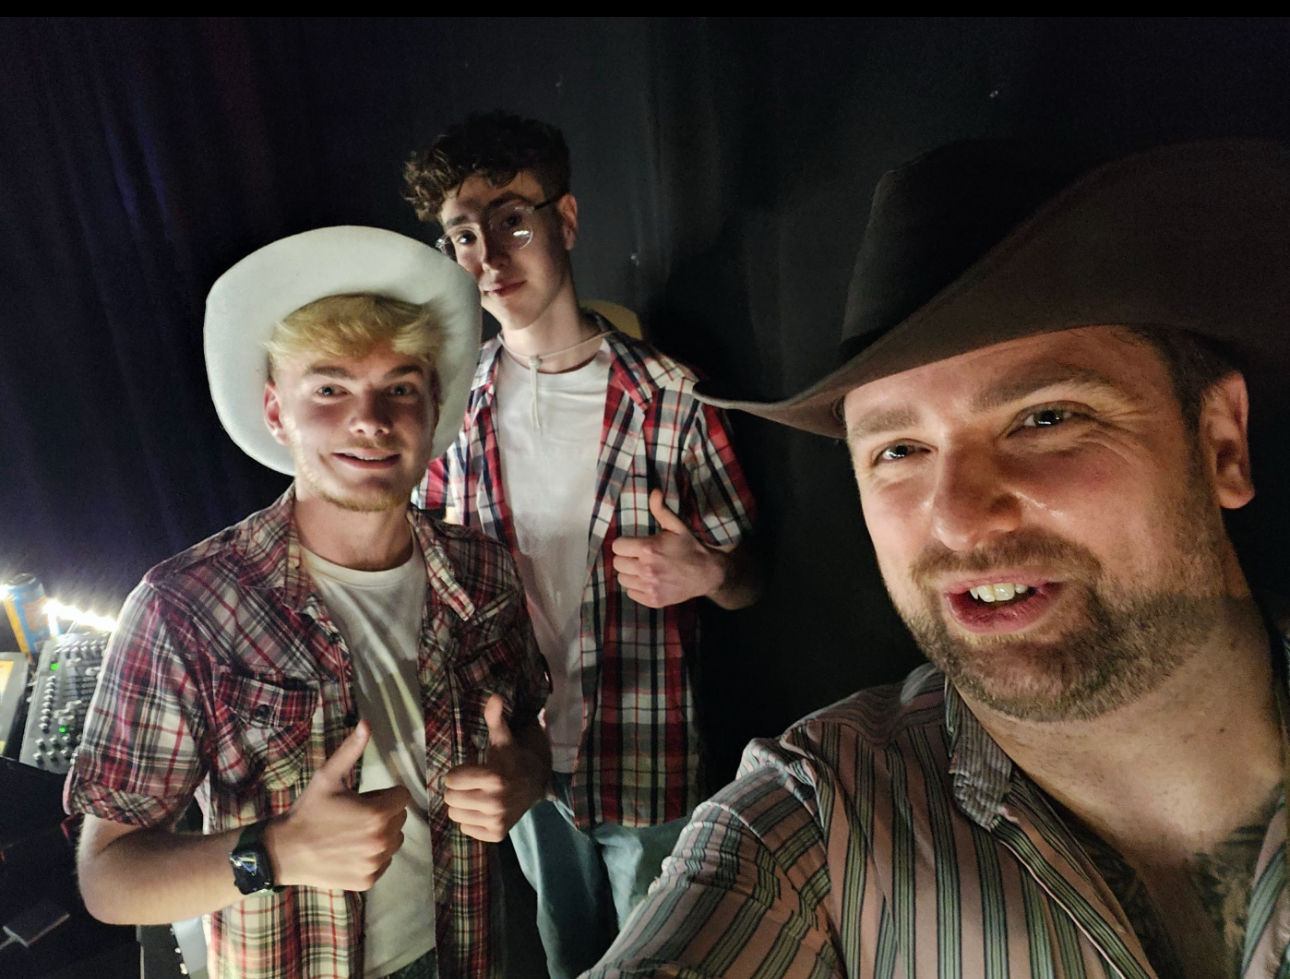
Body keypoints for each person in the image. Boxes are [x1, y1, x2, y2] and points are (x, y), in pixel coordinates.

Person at [586, 139, 1290, 978]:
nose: (954, 520)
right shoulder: (806, 828)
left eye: (1045, 418)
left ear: (1221, 442)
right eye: (899, 450)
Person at [65, 226, 551, 979]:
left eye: (400, 387)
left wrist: (524, 777)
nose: (371, 418)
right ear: (275, 411)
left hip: (470, 951)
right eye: (329, 388)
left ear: (433, 407)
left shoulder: (482, 571)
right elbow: (108, 877)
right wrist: (277, 851)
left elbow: (529, 735)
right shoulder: (186, 609)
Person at [404, 112, 762, 978]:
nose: (489, 256)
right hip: (521, 760)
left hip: (645, 750)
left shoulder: (669, 396)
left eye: (511, 221)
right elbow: (425, 581)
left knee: (663, 961)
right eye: (463, 235)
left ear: (564, 220)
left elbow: (750, 577)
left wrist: (709, 572)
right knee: (567, 957)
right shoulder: (449, 413)